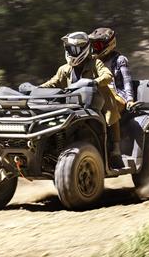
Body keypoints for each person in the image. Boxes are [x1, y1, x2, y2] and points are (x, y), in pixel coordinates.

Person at [40, 31, 123, 167]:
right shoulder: (64, 69)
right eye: (69, 49)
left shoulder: (95, 62)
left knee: (111, 115)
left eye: (75, 49)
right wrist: (36, 88)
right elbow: (52, 83)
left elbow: (107, 75)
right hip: (74, 105)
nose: (71, 52)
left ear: (84, 49)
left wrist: (95, 82)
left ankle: (115, 150)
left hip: (98, 101)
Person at [88, 27, 135, 113]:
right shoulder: (94, 62)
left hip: (118, 96)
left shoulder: (120, 60)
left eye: (98, 45)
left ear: (109, 44)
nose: (94, 49)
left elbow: (127, 81)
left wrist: (130, 100)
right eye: (93, 45)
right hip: (100, 95)